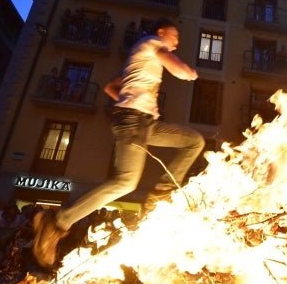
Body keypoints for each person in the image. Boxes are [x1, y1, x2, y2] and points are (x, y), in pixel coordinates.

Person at [32, 18, 204, 268]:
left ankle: (161, 192)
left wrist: (125, 101)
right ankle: (57, 221)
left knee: (193, 141)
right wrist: (190, 73)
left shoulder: (139, 59)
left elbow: (111, 87)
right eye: (175, 36)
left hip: (144, 124)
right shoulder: (152, 43)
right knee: (125, 182)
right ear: (161, 32)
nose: (176, 43)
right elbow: (179, 70)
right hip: (134, 121)